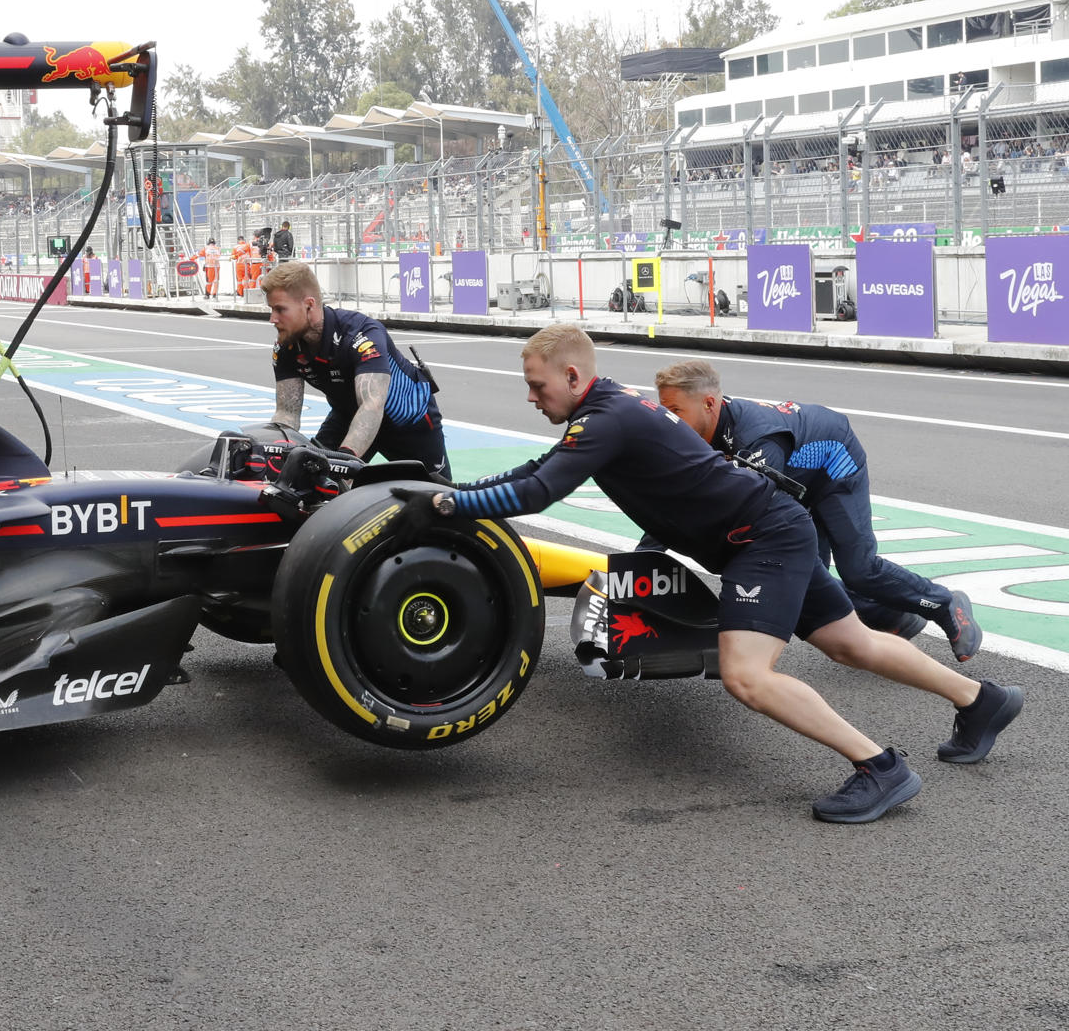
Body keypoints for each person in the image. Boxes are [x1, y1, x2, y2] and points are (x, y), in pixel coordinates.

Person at [425, 324, 1021, 823]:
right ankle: (981, 700)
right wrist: (456, 488)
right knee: (852, 642)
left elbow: (537, 491)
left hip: (762, 542)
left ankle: (880, 768)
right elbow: (539, 467)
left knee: (748, 677)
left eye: (537, 385)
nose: (532, 397)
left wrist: (447, 507)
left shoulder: (607, 418)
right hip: (772, 532)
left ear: (574, 377)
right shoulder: (604, 414)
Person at [649, 361, 981, 660]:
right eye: (664, 411)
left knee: (858, 568)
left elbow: (752, 514)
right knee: (810, 580)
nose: (669, 421)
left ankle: (944, 602)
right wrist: (642, 558)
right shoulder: (699, 429)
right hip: (792, 481)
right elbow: (677, 500)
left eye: (675, 410)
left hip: (833, 466)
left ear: (709, 404)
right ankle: (892, 617)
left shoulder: (757, 439)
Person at [263, 261, 447, 479]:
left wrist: (342, 462)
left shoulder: (362, 333)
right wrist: (274, 453)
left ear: (309, 305)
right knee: (307, 481)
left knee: (438, 499)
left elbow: (372, 405)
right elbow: (287, 413)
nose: (272, 319)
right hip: (348, 416)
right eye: (272, 309)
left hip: (409, 423)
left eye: (280, 310)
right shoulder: (287, 345)